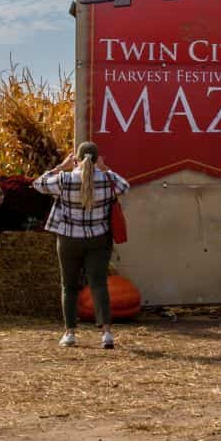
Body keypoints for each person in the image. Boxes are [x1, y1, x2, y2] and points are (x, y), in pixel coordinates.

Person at [34, 142, 131, 350]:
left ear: (76, 159)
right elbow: (125, 186)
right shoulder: (107, 178)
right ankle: (106, 334)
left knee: (69, 286)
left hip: (69, 239)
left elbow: (38, 184)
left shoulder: (65, 179)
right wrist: (105, 169)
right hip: (99, 239)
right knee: (99, 285)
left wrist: (61, 166)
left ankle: (69, 333)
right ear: (97, 159)